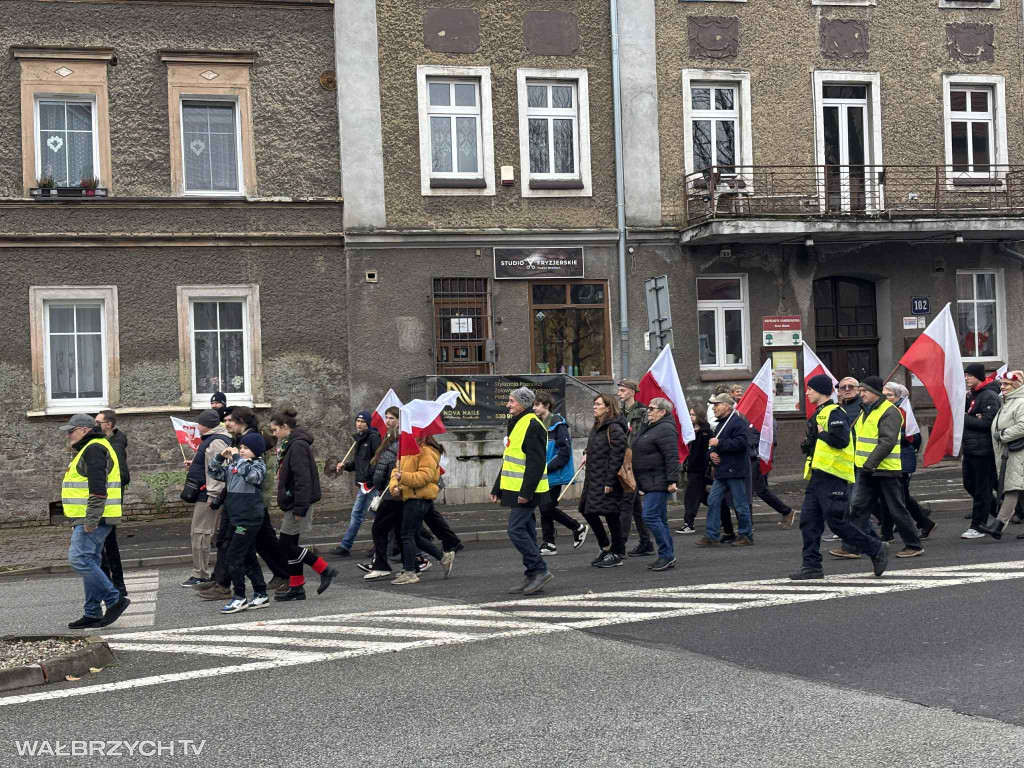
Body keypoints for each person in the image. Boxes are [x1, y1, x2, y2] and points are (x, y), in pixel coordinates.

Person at [790, 375, 889, 580]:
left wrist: (822, 434)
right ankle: (811, 566)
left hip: (833, 475)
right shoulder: (820, 413)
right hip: (818, 475)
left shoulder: (834, 412)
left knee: (836, 522)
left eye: (810, 389)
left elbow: (841, 440)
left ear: (820, 391)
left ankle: (876, 548)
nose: (807, 393)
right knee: (808, 521)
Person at [198, 408, 288, 602]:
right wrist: (222, 459)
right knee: (251, 545)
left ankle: (229, 586)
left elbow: (255, 474)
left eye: (230, 420)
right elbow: (224, 473)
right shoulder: (240, 441)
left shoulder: (251, 443)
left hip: (250, 505)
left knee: (241, 547)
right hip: (238, 503)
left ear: (241, 422)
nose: (226, 424)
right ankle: (232, 582)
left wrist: (238, 458)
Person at [61, 414, 132, 629]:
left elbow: (98, 488)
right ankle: (92, 612)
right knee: (90, 560)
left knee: (79, 559)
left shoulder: (93, 448)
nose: (68, 435)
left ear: (83, 430)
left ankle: (114, 599)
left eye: (70, 431)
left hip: (93, 518)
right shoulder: (92, 447)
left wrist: (91, 519)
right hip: (92, 517)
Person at [848, 376, 923, 558]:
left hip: (885, 470)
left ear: (874, 392)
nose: (861, 394)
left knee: (896, 509)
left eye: (864, 391)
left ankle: (914, 545)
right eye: (861, 390)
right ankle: (851, 547)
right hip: (867, 469)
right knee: (859, 508)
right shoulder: (865, 410)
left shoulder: (889, 411)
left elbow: (887, 441)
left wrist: (870, 463)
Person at [270, 407, 339, 601]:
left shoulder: (297, 446)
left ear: (285, 427)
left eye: (275, 430)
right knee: (291, 544)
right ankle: (297, 586)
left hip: (298, 503)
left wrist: (300, 507)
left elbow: (303, 479)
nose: (274, 434)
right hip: (294, 501)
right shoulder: (292, 444)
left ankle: (324, 569)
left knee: (285, 544)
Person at [491, 386, 554, 593]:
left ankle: (540, 569)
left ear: (523, 403)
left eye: (512, 401)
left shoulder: (532, 425)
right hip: (516, 488)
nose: (508, 404)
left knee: (515, 529)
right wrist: (498, 487)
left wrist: (526, 493)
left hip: (528, 490)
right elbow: (510, 459)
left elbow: (536, 463)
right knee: (525, 529)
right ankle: (532, 574)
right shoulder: (518, 423)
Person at [208, 433, 271, 613]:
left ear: (256, 451)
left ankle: (239, 597)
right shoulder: (235, 465)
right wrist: (221, 456)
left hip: (249, 518)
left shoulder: (258, 465)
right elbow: (214, 472)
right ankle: (260, 593)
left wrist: (236, 458)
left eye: (246, 448)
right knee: (249, 556)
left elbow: (251, 476)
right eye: (241, 447)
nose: (242, 450)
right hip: (236, 517)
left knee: (233, 557)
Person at [392, 436, 454, 585]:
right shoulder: (406, 451)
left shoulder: (427, 451)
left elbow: (425, 477)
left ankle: (410, 572)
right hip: (409, 496)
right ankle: (443, 558)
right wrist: (394, 486)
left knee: (406, 535)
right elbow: (396, 470)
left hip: (419, 498)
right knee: (413, 535)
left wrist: (403, 477)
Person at [180, 409, 231, 587]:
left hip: (207, 495)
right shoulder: (217, 439)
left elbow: (216, 470)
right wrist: (195, 465)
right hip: (207, 492)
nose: (197, 426)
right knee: (204, 532)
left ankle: (200, 573)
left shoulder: (215, 441)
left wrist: (213, 495)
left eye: (199, 423)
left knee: (201, 533)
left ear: (206, 425)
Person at [696, 393, 754, 547]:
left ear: (727, 406)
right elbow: (713, 446)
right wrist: (712, 454)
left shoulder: (738, 422)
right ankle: (712, 535)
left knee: (740, 504)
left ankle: (746, 535)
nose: (713, 408)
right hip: (722, 471)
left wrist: (719, 443)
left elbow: (742, 444)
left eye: (717, 405)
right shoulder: (721, 424)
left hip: (735, 470)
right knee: (713, 501)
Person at [534, 392, 588, 554]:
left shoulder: (558, 424)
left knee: (546, 508)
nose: (534, 408)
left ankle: (577, 527)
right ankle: (549, 543)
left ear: (546, 405)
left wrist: (547, 467)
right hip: (542, 474)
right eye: (533, 405)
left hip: (553, 474)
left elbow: (564, 452)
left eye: (537, 405)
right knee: (545, 509)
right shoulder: (537, 423)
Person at [881, 382, 935, 539]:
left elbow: (911, 437)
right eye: (883, 395)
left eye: (889, 395)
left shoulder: (902, 412)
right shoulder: (890, 410)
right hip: (893, 459)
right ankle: (889, 531)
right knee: (891, 496)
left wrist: (887, 436)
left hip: (902, 460)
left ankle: (921, 523)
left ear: (898, 397)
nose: (885, 398)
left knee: (899, 497)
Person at [579, 393, 629, 567]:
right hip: (593, 477)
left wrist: (610, 482)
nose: (594, 406)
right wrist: (587, 453)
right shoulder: (598, 425)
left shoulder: (614, 428)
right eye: (594, 403)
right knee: (586, 509)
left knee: (611, 514)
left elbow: (617, 456)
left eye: (598, 404)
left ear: (608, 408)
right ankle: (606, 545)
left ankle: (616, 552)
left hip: (607, 479)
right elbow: (596, 446)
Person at [631, 397, 679, 570]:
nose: (648, 411)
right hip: (650, 480)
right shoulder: (652, 427)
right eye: (648, 408)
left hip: (659, 480)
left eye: (652, 408)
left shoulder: (665, 428)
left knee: (649, 515)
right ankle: (668, 555)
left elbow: (672, 456)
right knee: (660, 518)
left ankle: (666, 555)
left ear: (662, 412)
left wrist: (672, 480)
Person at [981, 371, 1024, 539]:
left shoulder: (1020, 402)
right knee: (1019, 488)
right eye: (1002, 383)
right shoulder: (1010, 402)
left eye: (1006, 384)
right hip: (1010, 453)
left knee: (1012, 488)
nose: (1002, 386)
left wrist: (1003, 434)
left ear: (1016, 385)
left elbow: (1022, 426)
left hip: (1018, 453)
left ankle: (998, 525)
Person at [961, 362, 1001, 539]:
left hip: (984, 450)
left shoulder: (989, 396)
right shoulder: (971, 396)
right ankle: (1002, 514)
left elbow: (988, 423)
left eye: (969, 375)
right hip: (970, 448)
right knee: (969, 485)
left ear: (978, 376)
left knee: (982, 489)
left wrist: (966, 419)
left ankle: (978, 525)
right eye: (966, 375)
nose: (966, 378)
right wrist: (972, 417)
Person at [334, 411, 382, 556]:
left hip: (372, 484)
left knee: (377, 516)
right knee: (356, 514)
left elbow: (378, 460)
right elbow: (358, 463)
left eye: (362, 422)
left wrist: (372, 476)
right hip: (363, 484)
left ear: (368, 423)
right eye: (358, 421)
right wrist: (345, 466)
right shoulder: (360, 439)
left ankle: (379, 547)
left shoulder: (373, 438)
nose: (359, 424)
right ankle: (345, 546)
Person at [361, 412, 402, 580]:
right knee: (401, 532)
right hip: (397, 495)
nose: (387, 421)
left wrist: (378, 485)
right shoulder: (400, 448)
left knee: (379, 529)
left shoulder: (388, 451)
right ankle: (412, 565)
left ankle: (381, 565)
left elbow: (379, 475)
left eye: (391, 418)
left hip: (389, 495)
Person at [94, 409, 128, 598]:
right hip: (106, 503)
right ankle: (114, 586)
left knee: (107, 545)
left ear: (109, 425)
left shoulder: (114, 446)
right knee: (106, 545)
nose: (95, 425)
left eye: (98, 422)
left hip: (108, 504)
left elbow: (121, 475)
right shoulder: (105, 442)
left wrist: (111, 497)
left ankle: (116, 587)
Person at [617, 379, 652, 556]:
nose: (619, 393)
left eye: (623, 390)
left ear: (632, 391)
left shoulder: (642, 411)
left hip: (634, 462)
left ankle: (620, 545)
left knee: (626, 504)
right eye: (619, 390)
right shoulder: (618, 412)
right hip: (622, 461)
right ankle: (646, 542)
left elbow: (642, 436)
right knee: (636, 506)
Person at [676, 407, 712, 534]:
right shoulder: (689, 431)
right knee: (701, 495)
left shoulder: (705, 432)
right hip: (691, 468)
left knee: (691, 497)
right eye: (690, 414)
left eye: (693, 415)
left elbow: (704, 453)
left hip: (699, 469)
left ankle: (689, 523)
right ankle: (722, 510)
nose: (691, 417)